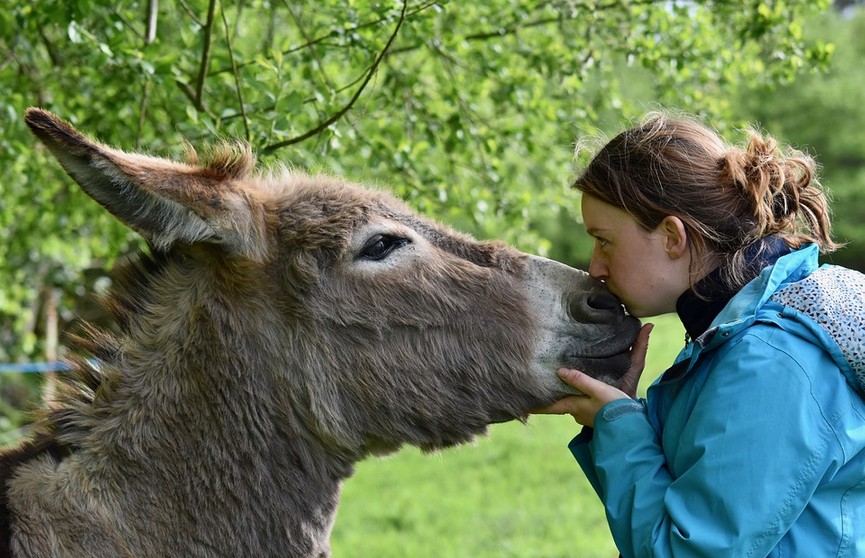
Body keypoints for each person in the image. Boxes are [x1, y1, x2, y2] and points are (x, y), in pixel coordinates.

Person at [537, 111, 865, 556]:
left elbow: (688, 550)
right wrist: (618, 419)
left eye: (605, 240)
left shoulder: (769, 360)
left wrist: (622, 432)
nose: (595, 267)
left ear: (673, 236)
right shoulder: (732, 336)